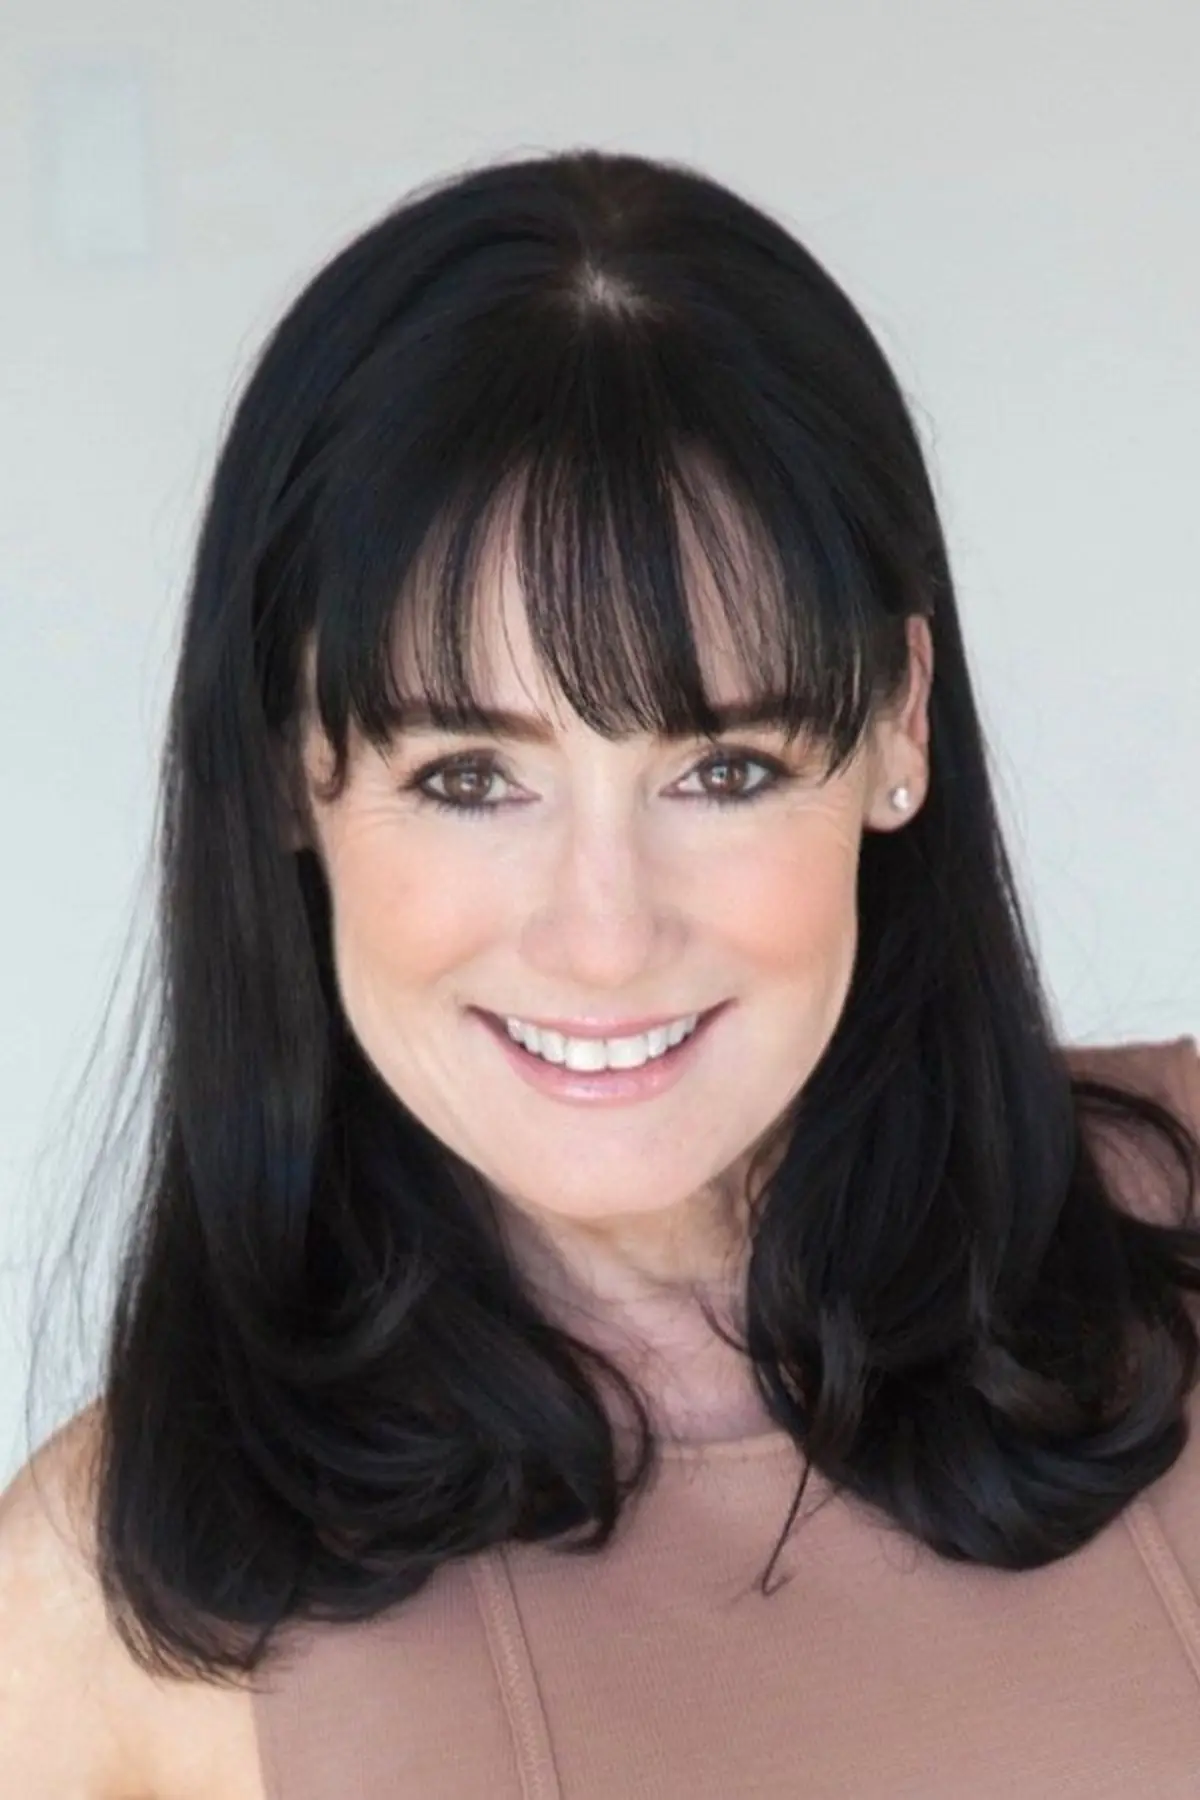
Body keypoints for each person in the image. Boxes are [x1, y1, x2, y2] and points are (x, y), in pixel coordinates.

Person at [2, 146, 1199, 1800]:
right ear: (286, 767)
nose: (606, 935)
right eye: (468, 777)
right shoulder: (98, 1600)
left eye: (723, 768)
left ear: (899, 722)